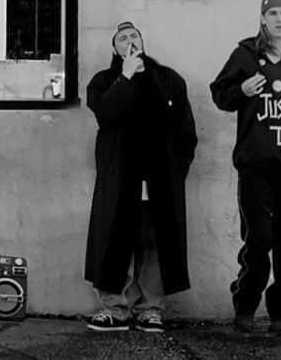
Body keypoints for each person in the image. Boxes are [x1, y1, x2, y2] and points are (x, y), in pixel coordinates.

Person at [84, 21, 198, 333]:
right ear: (114, 48)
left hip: (159, 177)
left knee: (154, 242)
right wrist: (126, 76)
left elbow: (184, 129)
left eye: (134, 36)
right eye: (123, 38)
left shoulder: (169, 79)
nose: (130, 41)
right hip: (120, 177)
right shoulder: (104, 81)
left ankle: (151, 309)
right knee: (114, 240)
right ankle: (114, 308)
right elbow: (106, 112)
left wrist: (177, 168)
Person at [210, 0, 281, 335]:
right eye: (272, 13)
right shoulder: (246, 55)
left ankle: (280, 310)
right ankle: (246, 302)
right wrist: (242, 91)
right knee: (259, 239)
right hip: (255, 167)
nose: (279, 19)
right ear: (263, 19)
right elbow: (220, 92)